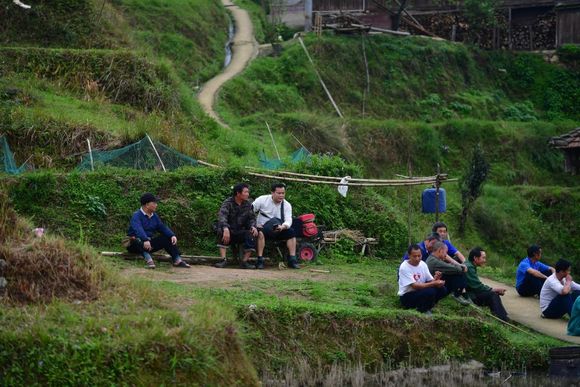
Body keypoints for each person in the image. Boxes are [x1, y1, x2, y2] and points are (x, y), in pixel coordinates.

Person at [126, 193, 190, 269]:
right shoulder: (136, 215)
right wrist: (145, 239)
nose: (156, 205)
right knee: (136, 240)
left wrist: (172, 235)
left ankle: (177, 260)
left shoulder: (154, 216)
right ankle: (149, 260)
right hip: (134, 244)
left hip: (148, 244)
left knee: (167, 238)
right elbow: (138, 229)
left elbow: (162, 227)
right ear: (147, 205)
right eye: (154, 203)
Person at [253, 183, 299, 269]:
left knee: (291, 233)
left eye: (283, 193)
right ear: (272, 193)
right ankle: (260, 259)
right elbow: (250, 210)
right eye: (279, 193)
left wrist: (283, 227)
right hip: (263, 228)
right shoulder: (262, 200)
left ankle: (292, 259)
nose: (281, 195)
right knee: (260, 234)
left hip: (279, 229)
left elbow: (288, 220)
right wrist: (254, 224)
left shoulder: (287, 205)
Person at [214, 183, 259, 269]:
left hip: (240, 230)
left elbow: (252, 218)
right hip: (229, 229)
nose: (247, 194)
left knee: (252, 234)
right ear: (238, 193)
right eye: (245, 192)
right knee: (222, 230)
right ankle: (223, 260)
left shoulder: (248, 204)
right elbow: (222, 216)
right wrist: (225, 228)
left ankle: (244, 261)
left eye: (248, 192)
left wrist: (253, 226)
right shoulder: (228, 203)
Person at [398, 244, 447, 315]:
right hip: (407, 296)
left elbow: (431, 280)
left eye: (419, 256)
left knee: (442, 289)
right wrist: (434, 283)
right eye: (414, 256)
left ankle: (427, 306)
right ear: (409, 256)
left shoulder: (423, 264)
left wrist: (437, 278)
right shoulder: (404, 267)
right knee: (430, 291)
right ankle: (422, 309)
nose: (417, 258)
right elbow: (415, 286)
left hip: (419, 292)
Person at [465, 247, 509, 322]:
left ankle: (502, 318)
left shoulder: (469, 265)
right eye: (483, 258)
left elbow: (477, 285)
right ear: (475, 258)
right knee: (493, 295)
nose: (485, 260)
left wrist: (492, 290)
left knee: (492, 293)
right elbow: (477, 286)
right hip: (469, 296)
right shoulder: (469, 268)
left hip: (471, 293)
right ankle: (502, 320)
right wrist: (494, 289)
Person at [426, 241, 471, 306]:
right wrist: (462, 268)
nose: (446, 255)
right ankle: (456, 294)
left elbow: (449, 267)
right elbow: (456, 269)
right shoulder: (434, 261)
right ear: (440, 251)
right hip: (432, 285)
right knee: (459, 273)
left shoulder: (433, 258)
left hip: (434, 281)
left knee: (457, 271)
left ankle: (457, 294)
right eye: (445, 252)